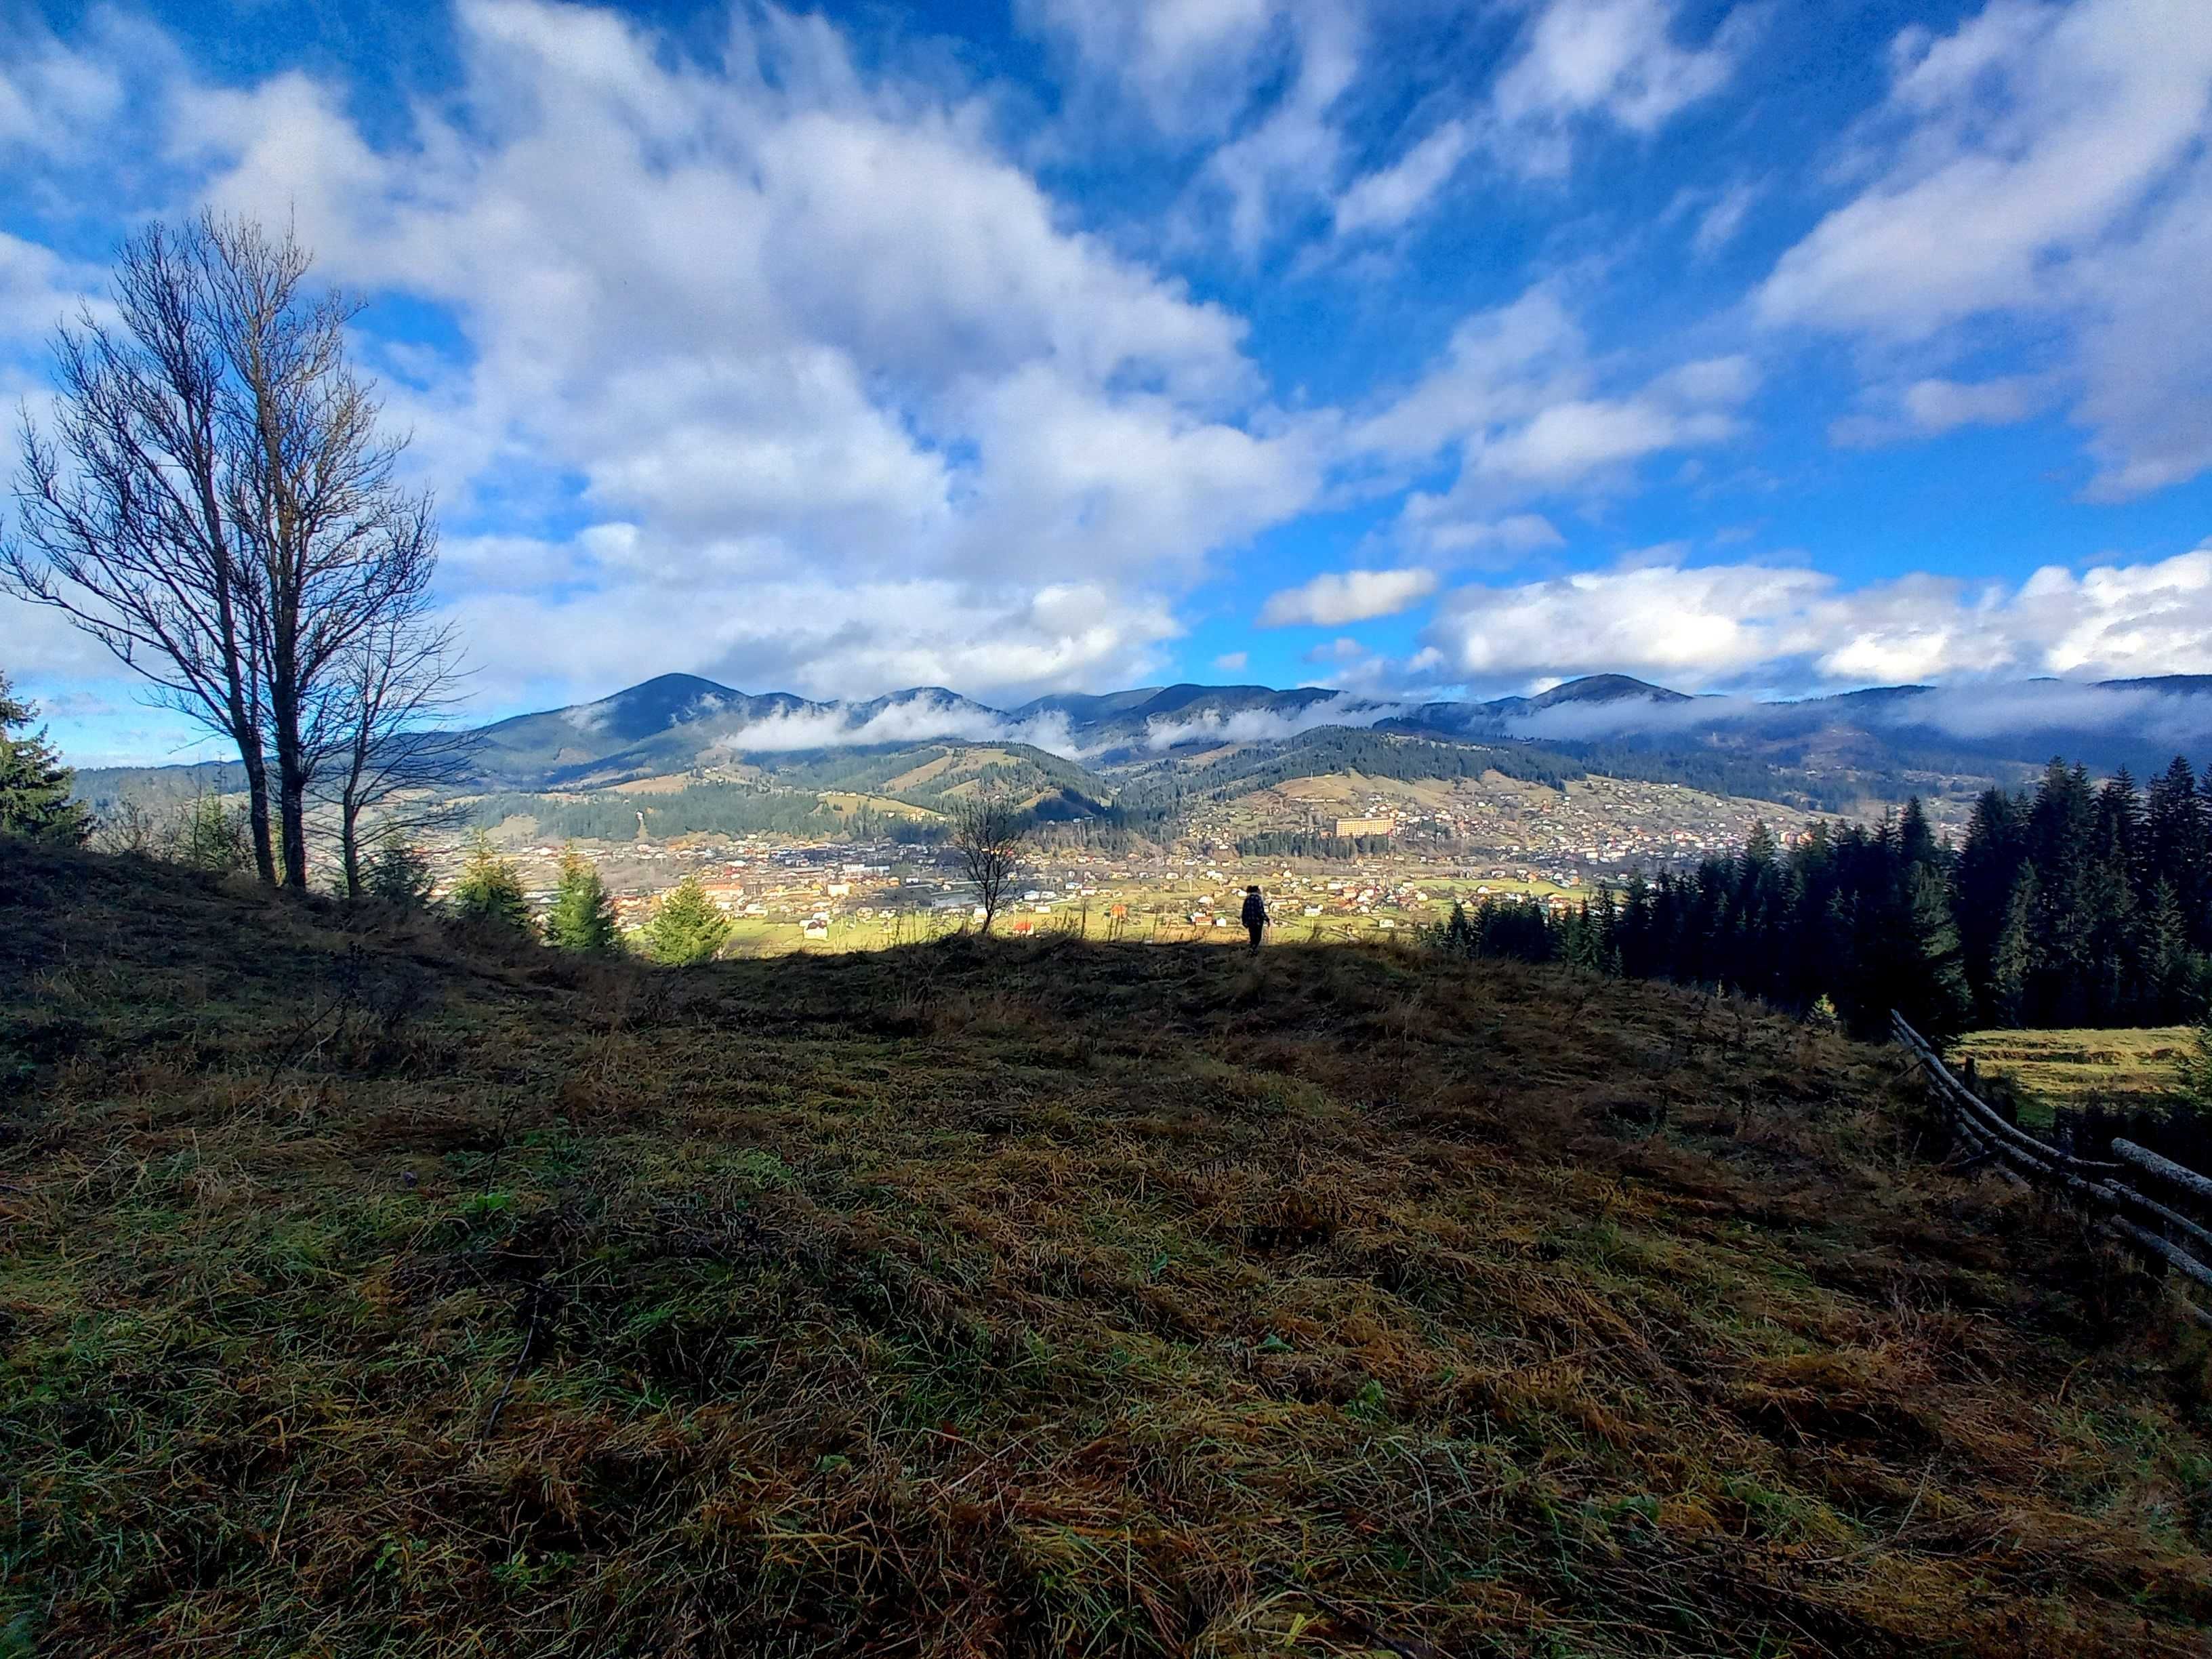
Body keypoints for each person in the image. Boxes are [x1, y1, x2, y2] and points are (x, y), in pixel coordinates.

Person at [1240, 884, 1268, 954]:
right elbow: (1260, 911)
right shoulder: (1258, 898)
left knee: (1252, 937)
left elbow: (1244, 911)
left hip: (1250, 922)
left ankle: (1251, 951)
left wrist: (1245, 922)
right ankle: (1252, 951)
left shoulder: (1247, 899)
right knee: (1258, 938)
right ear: (1257, 891)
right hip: (1258, 922)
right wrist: (1267, 919)